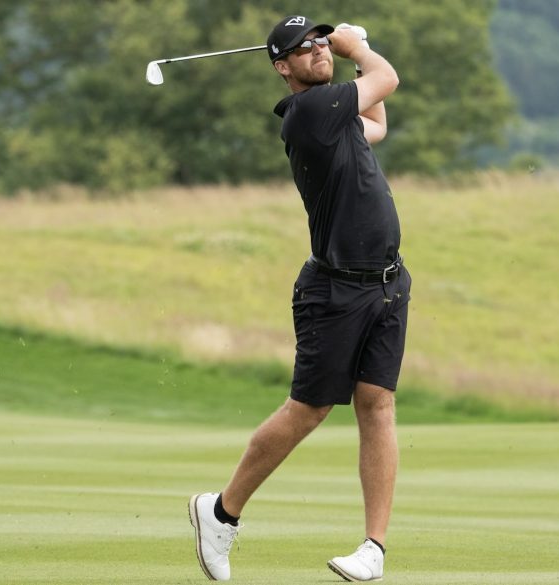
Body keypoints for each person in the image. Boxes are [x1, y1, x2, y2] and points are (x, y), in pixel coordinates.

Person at [189, 15, 409, 582]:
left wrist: (358, 54)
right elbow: (389, 80)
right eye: (302, 47)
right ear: (282, 67)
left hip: (386, 282)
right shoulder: (311, 110)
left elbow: (377, 120)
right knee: (308, 409)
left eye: (320, 42)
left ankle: (373, 549)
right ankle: (220, 513)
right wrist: (358, 46)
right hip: (334, 289)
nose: (316, 50)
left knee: (377, 405)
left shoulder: (339, 115)